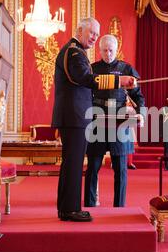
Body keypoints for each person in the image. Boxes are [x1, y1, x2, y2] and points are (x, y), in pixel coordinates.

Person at [52, 18, 136, 222]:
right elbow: (85, 79)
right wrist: (119, 81)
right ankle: (70, 210)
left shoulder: (75, 51)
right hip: (74, 116)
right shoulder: (74, 52)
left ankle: (66, 208)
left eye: (96, 34)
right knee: (73, 164)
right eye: (91, 33)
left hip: (74, 115)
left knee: (71, 163)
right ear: (79, 30)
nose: (94, 37)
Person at [84, 34, 145, 207]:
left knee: (121, 169)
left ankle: (119, 208)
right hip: (98, 121)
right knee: (93, 168)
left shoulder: (126, 69)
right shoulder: (92, 69)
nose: (108, 53)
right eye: (105, 50)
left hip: (120, 123)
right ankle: (89, 205)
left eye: (111, 50)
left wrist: (141, 113)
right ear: (99, 50)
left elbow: (138, 96)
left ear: (116, 49)